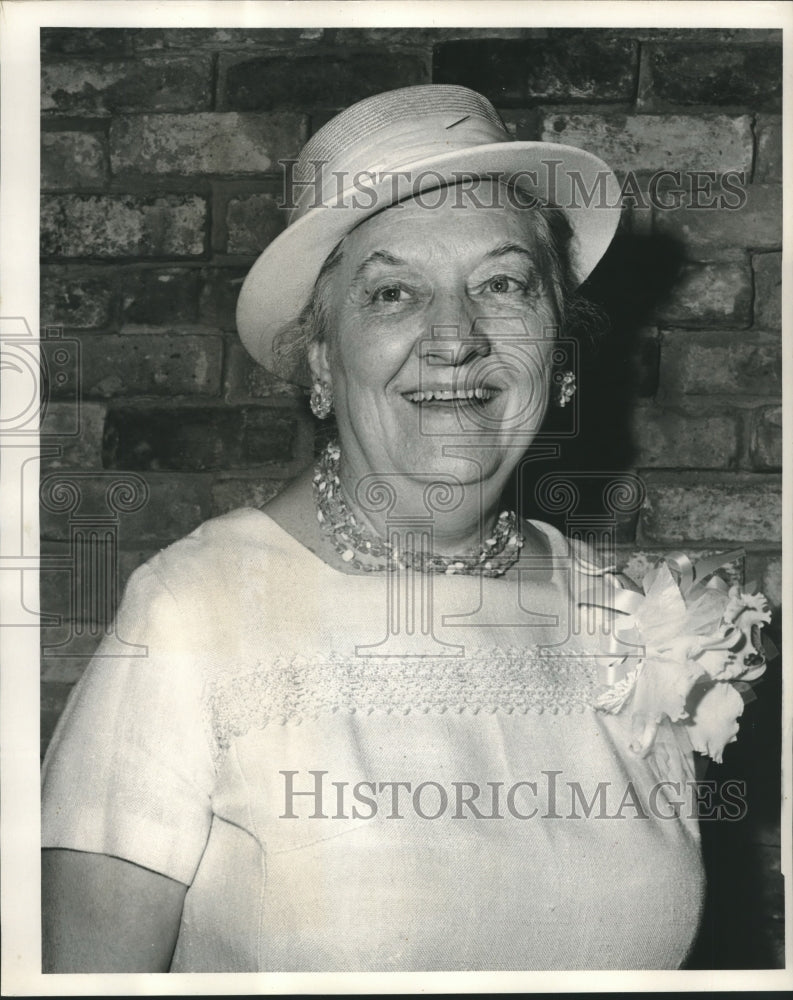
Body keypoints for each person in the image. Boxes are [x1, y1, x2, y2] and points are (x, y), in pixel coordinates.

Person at [40, 85, 769, 973]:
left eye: (502, 284)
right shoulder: (192, 614)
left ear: (558, 349)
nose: (454, 337)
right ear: (320, 358)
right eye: (392, 293)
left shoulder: (633, 622)